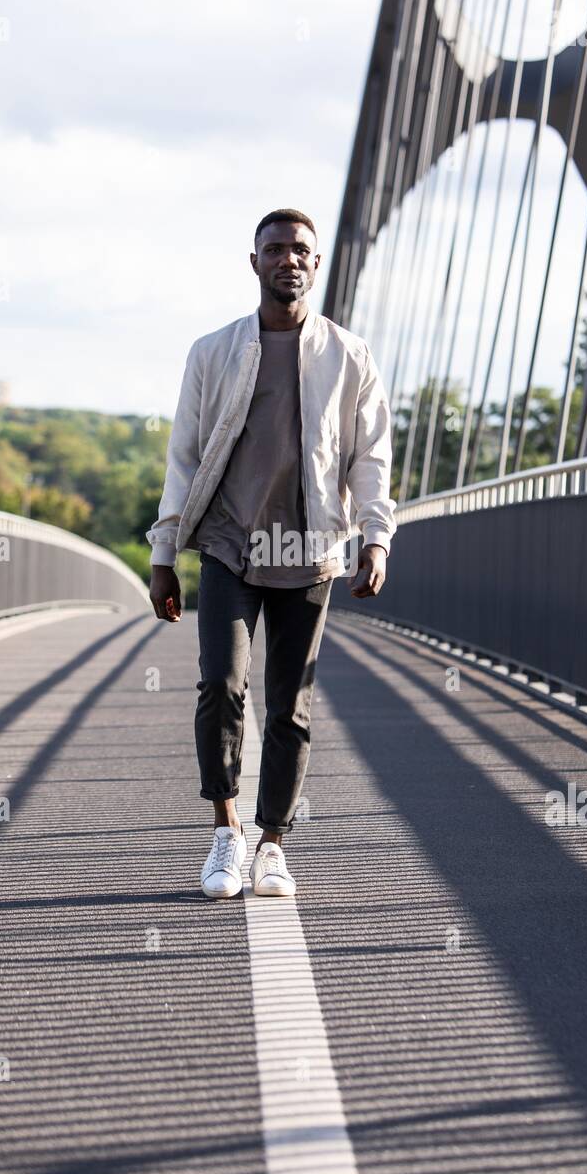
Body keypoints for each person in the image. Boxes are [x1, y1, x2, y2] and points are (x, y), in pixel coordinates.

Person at [147, 208, 396, 900]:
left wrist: (376, 537)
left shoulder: (352, 357)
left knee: (290, 704)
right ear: (254, 262)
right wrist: (164, 551)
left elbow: (370, 459)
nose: (289, 259)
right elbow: (185, 457)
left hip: (309, 549)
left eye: (301, 251)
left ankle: (274, 844)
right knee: (221, 684)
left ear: (316, 266)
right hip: (229, 544)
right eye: (275, 249)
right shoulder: (213, 352)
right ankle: (226, 832)